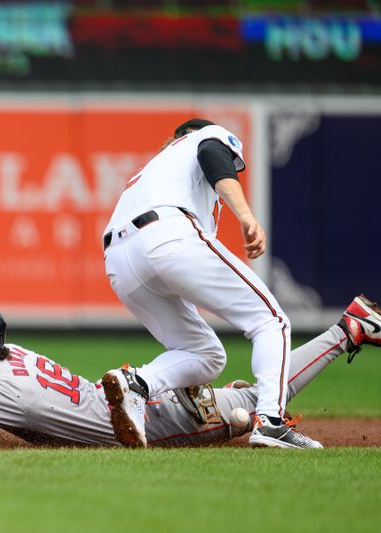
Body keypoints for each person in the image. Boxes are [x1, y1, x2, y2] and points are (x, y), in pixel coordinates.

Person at [0, 295, 380, 449]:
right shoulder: (12, 356)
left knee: (254, 405)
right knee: (245, 394)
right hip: (137, 401)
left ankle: (347, 331)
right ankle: (344, 331)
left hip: (156, 421)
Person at [100, 117, 314, 448]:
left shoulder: (148, 174)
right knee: (271, 321)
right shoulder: (206, 137)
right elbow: (213, 154)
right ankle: (270, 420)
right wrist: (245, 215)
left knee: (204, 354)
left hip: (118, 260)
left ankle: (137, 382)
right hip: (167, 233)